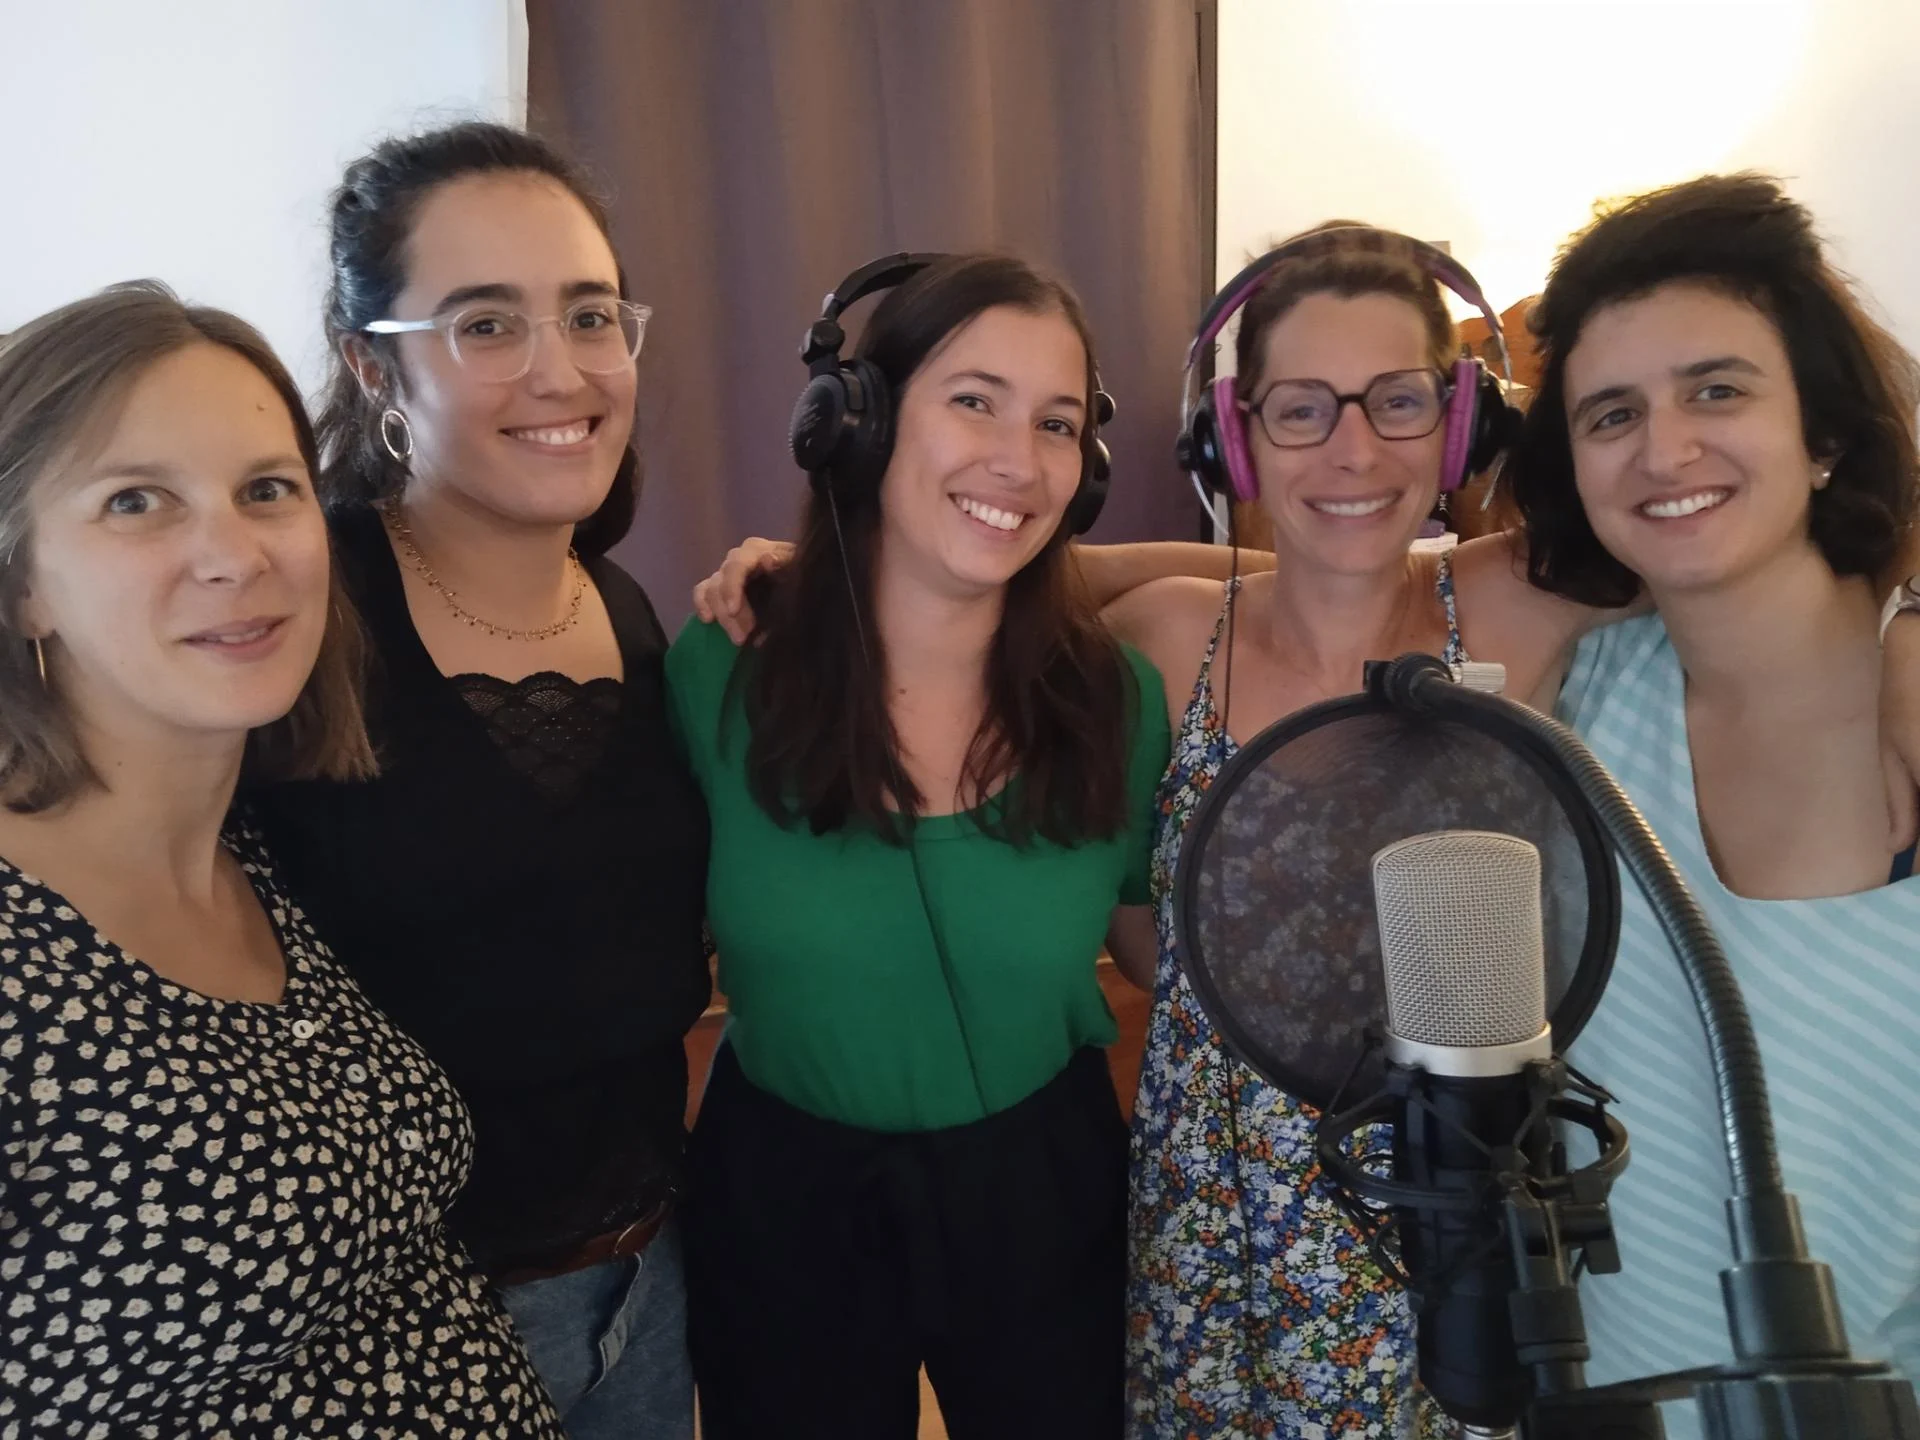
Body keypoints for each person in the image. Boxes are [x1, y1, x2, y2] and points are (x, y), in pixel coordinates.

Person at [690, 216, 1920, 1436]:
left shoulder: (1520, 602)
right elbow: (1012, 583)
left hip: (1441, 1247)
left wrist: (1907, 608)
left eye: (1399, 401)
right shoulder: (1173, 637)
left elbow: (1742, 525)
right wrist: (821, 560)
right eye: (1299, 410)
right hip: (1200, 1243)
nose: (1352, 449)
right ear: (1234, 439)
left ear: (1460, 426)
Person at [0, 282, 562, 1437]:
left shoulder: (256, 851)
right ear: (24, 588)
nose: (235, 554)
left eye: (267, 490)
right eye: (136, 501)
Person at [248, 122, 709, 1440]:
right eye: (487, 324)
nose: (560, 370)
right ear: (370, 364)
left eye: (591, 315)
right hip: (398, 1330)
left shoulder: (632, 613)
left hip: (645, 1289)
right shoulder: (295, 615)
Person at [668, 252, 1169, 1439]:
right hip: (783, 1185)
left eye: (1057, 424)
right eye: (974, 400)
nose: (1019, 460)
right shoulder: (722, 668)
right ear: (860, 424)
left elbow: (1157, 955)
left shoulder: (1117, 700)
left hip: (1041, 1181)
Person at [1505, 173, 1920, 1436]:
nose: (1664, 451)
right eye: (1612, 414)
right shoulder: (1577, 696)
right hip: (1605, 1404)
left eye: (1719, 390)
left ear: (1824, 433)